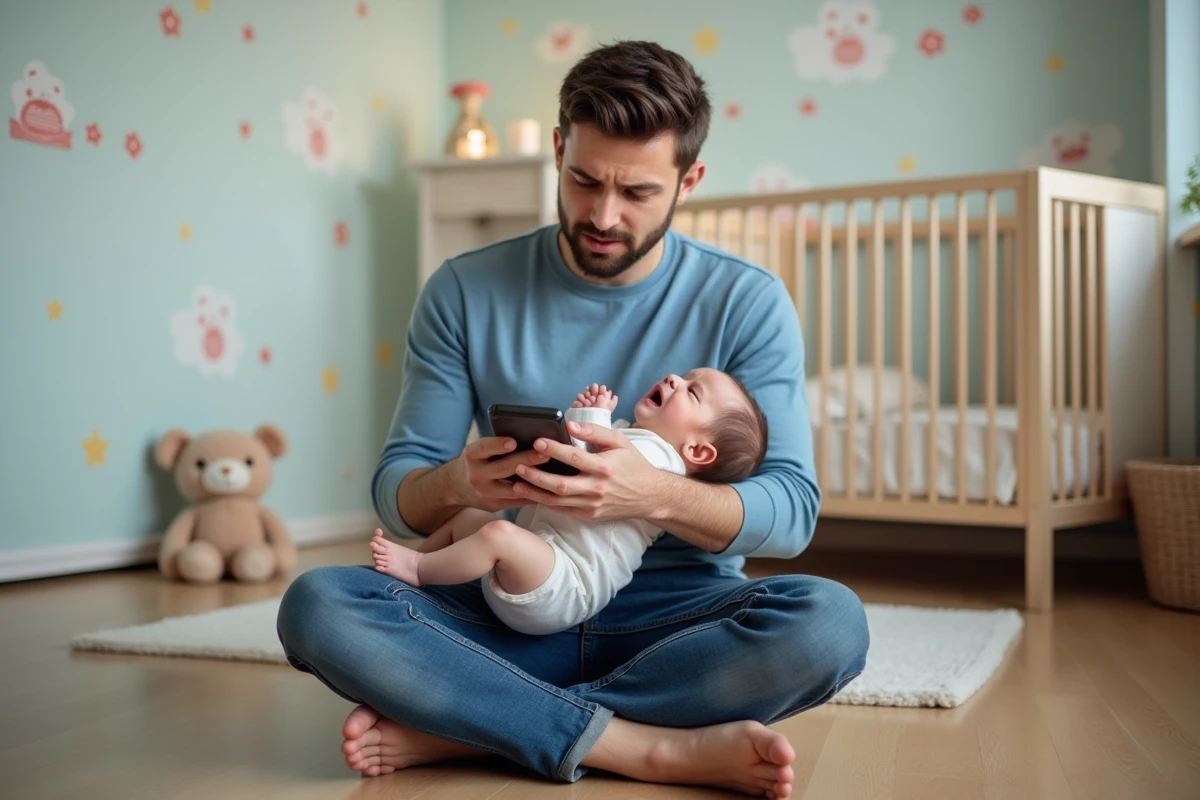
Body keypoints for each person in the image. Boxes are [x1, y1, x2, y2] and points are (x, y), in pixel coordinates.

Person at [277, 39, 869, 799]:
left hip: (672, 621)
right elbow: (398, 489)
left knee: (828, 624)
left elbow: (790, 512)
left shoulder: (747, 302)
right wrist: (460, 480)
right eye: (584, 179)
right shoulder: (463, 290)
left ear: (689, 180)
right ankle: (650, 750)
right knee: (319, 605)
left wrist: (647, 496)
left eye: (639, 193)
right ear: (558, 148)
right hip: (501, 603)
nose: (602, 215)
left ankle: (475, 725)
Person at [368, 369, 769, 637]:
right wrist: (579, 420)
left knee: (498, 533)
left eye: (691, 391)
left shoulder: (664, 463)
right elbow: (580, 452)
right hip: (534, 562)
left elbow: (595, 464)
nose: (674, 378)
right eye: (685, 375)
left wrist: (592, 416)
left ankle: (420, 569)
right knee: (473, 516)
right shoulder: (632, 436)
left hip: (563, 587)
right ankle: (408, 573)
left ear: (697, 451)